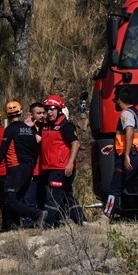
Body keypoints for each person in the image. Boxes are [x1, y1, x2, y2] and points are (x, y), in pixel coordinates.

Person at [0, 101, 43, 229]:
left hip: (15, 167)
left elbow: (2, 150)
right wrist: (31, 168)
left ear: (7, 115)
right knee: (18, 198)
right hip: (28, 167)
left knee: (9, 198)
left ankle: (36, 215)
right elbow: (36, 149)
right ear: (20, 112)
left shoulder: (10, 129)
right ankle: (13, 226)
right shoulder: (30, 130)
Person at [106, 87, 138, 218]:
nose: (115, 102)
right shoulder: (136, 112)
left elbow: (130, 131)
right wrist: (114, 146)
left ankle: (105, 216)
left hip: (131, 155)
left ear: (119, 100)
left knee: (115, 187)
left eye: (115, 100)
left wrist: (126, 155)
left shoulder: (126, 114)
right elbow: (133, 136)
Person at [39, 95, 81, 227]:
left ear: (59, 110)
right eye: (47, 109)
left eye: (52, 109)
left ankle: (47, 226)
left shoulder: (65, 126)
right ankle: (82, 221)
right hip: (51, 168)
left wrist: (69, 164)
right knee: (67, 198)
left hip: (61, 168)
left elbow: (76, 144)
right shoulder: (47, 126)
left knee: (52, 198)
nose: (49, 112)